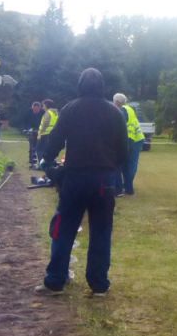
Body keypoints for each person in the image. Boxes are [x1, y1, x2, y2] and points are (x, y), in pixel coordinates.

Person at [36, 68, 127, 297]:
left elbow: (55, 140)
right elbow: (123, 151)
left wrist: (47, 161)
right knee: (101, 232)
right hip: (104, 180)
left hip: (75, 178)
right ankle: (98, 284)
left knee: (63, 229)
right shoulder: (114, 113)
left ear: (80, 85)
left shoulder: (71, 109)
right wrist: (111, 168)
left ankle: (55, 280)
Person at [112, 93, 145, 196]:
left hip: (130, 140)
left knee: (121, 164)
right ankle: (128, 188)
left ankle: (121, 189)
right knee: (129, 165)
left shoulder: (121, 110)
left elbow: (119, 126)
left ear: (116, 102)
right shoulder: (129, 109)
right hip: (137, 139)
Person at [35, 99, 58, 166]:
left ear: (47, 105)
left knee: (39, 150)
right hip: (52, 134)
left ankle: (42, 165)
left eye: (43, 105)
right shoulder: (55, 113)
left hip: (45, 134)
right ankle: (50, 163)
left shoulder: (48, 113)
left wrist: (40, 133)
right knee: (48, 150)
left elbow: (45, 124)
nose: (42, 107)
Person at [26, 102, 44, 168]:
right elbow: (26, 122)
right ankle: (31, 161)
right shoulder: (28, 113)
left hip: (40, 132)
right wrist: (28, 129)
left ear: (39, 108)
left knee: (39, 147)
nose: (35, 111)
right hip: (31, 131)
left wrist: (39, 130)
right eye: (34, 109)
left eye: (37, 109)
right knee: (31, 147)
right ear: (32, 108)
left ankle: (40, 161)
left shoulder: (43, 114)